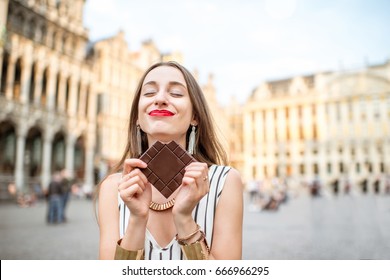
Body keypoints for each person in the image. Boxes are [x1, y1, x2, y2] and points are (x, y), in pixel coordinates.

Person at [96, 61, 243, 260]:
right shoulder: (113, 187)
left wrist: (184, 220)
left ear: (195, 116)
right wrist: (137, 220)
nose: (160, 98)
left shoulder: (225, 182)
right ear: (137, 117)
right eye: (149, 93)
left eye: (175, 93)